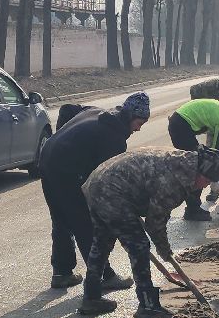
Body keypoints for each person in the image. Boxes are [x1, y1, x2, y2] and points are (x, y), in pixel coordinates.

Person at [79, 147, 219, 318]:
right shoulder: (173, 181)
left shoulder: (182, 161)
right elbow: (155, 223)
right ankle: (148, 306)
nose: (206, 185)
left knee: (102, 241)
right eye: (207, 180)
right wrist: (165, 252)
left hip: (98, 183)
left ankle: (91, 297)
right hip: (111, 190)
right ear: (200, 173)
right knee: (139, 246)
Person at [37, 92, 150, 289]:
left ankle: (62, 273)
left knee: (61, 217)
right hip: (66, 169)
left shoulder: (98, 112)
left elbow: (67, 109)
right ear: (131, 116)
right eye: (139, 123)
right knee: (84, 222)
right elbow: (110, 180)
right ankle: (105, 276)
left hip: (48, 157)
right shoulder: (114, 138)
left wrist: (61, 138)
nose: (139, 129)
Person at [167, 96, 219, 220]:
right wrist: (215, 179)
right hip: (181, 127)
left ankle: (192, 208)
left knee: (199, 163)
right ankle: (192, 210)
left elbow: (214, 145)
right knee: (199, 168)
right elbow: (215, 154)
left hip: (180, 124)